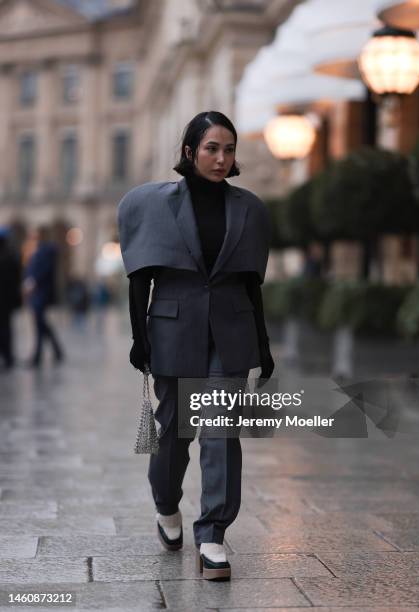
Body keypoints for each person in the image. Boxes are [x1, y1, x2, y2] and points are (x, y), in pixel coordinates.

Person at [118, 111, 274, 581]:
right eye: (211, 148)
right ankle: (166, 507)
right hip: (172, 328)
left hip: (230, 331)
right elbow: (139, 278)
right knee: (174, 436)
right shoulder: (152, 204)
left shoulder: (249, 208)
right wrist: (138, 337)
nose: (222, 158)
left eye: (229, 149)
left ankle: (212, 534)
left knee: (220, 431)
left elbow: (251, 283)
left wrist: (263, 346)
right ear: (189, 152)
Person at [23, 226, 64, 367]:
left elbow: (42, 272)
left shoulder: (45, 252)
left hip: (41, 293)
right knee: (41, 324)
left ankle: (38, 357)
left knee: (39, 324)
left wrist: (32, 282)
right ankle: (55, 351)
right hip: (38, 293)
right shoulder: (36, 251)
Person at [0, 227, 21, 370]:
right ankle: (8, 356)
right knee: (7, 328)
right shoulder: (12, 256)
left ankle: (6, 355)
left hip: (4, 300)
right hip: (8, 301)